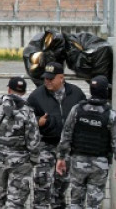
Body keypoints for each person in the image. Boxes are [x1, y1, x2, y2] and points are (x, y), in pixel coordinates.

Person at [55, 75, 116, 209]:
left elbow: (66, 134)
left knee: (75, 202)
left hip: (78, 161)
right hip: (100, 163)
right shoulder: (111, 114)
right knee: (94, 204)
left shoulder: (77, 109)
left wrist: (61, 157)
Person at [26, 61, 86, 209]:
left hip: (66, 148)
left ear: (61, 78)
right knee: (42, 184)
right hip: (46, 145)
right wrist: (37, 123)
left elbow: (84, 115)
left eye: (51, 78)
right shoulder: (36, 96)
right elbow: (26, 121)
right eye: (46, 78)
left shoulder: (76, 94)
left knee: (61, 185)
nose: (47, 81)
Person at [0, 76, 40, 209]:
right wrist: (33, 159)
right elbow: (33, 140)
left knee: (1, 197)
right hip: (20, 161)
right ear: (24, 92)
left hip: (0, 159)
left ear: (9, 89)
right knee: (15, 200)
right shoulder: (27, 111)